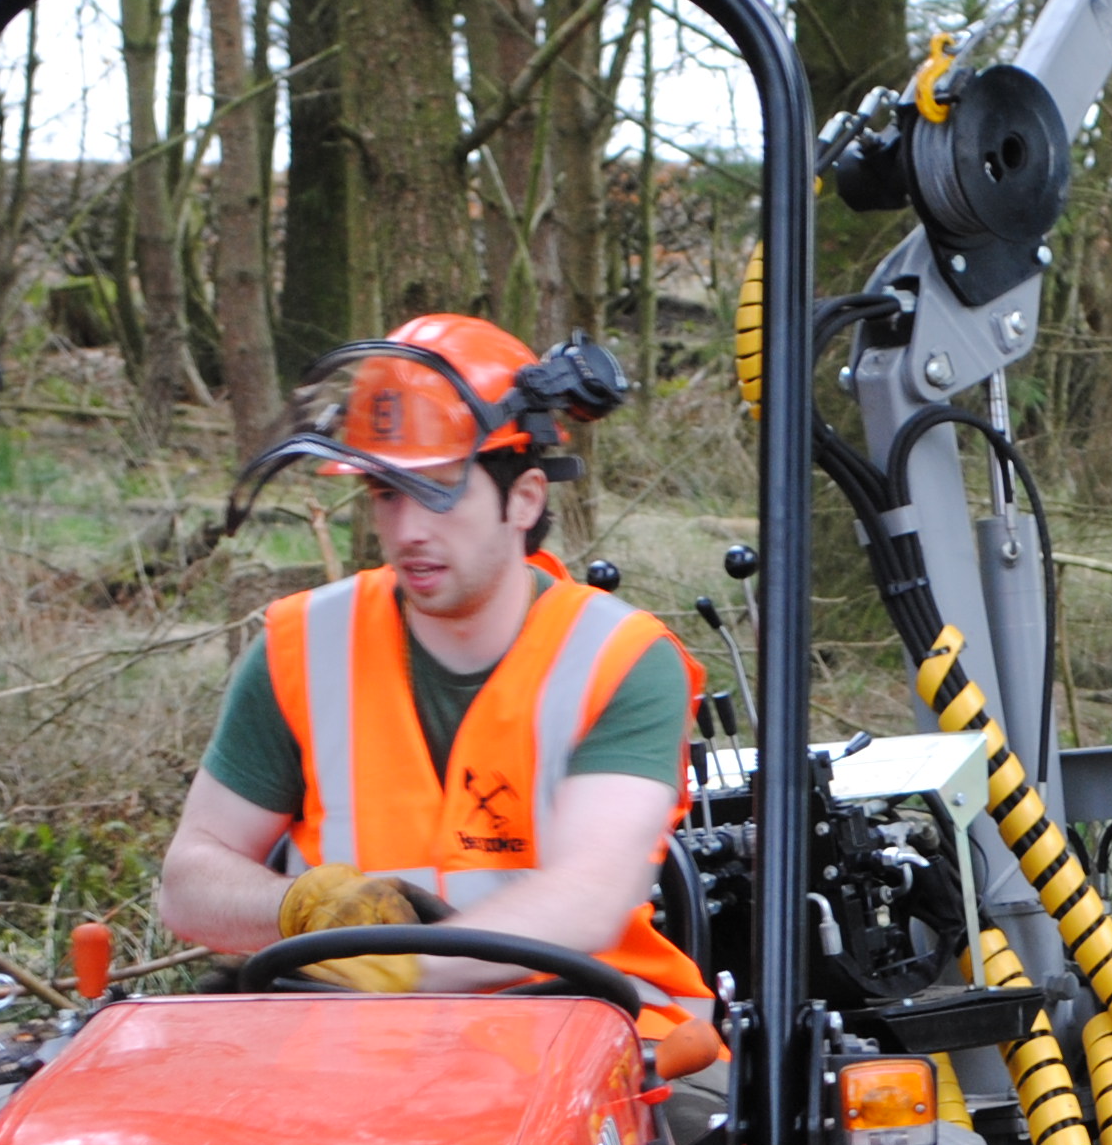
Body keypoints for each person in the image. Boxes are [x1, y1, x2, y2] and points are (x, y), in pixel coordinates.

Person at [155, 314, 721, 1078]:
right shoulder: (302, 646)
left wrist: (396, 969)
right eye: (387, 493)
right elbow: (190, 882)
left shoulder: (621, 661)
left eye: (438, 491)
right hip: (341, 1046)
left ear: (522, 500)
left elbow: (589, 896)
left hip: (594, 1037)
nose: (408, 528)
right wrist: (298, 909)